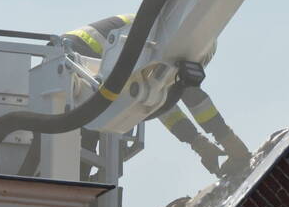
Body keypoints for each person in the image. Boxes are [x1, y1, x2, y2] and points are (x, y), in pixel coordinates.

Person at [62, 14, 253, 177]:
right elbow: (192, 95)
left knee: (83, 135)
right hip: (80, 57)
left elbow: (161, 106)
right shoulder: (174, 44)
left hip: (67, 56)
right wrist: (228, 140)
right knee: (89, 131)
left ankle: (76, 194)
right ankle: (76, 199)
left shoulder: (158, 36)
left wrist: (197, 143)